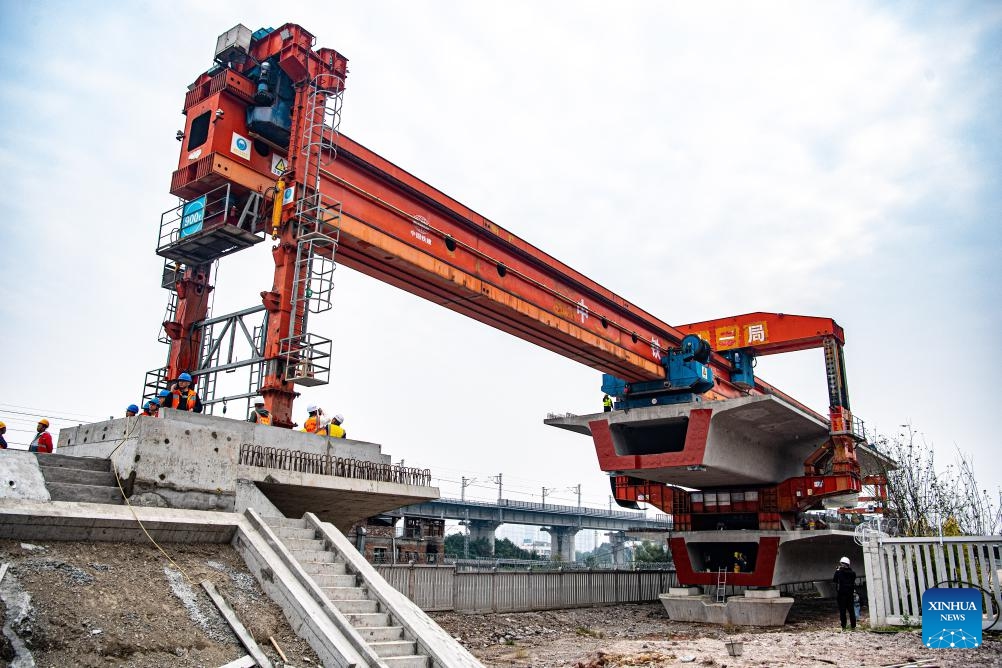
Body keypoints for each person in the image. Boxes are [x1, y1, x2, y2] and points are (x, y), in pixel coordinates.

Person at [833, 556, 857, 630]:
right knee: (851, 610)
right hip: (850, 594)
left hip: (841, 594)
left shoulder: (839, 572)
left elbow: (835, 580)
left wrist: (837, 570)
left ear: (842, 564)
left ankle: (844, 626)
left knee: (842, 611)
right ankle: (853, 626)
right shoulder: (853, 573)